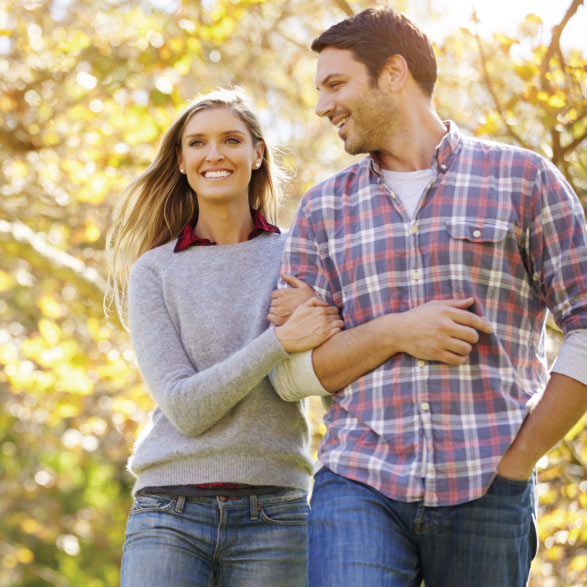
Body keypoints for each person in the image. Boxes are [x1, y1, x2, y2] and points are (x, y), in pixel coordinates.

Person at [269, 7, 587, 587]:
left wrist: (520, 462)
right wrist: (396, 330)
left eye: (336, 84)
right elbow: (292, 376)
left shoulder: (524, 179)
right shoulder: (323, 208)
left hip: (489, 484)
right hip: (358, 481)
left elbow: (586, 326)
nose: (322, 106)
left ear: (394, 73)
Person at [105, 87, 345, 587]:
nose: (214, 154)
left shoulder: (298, 255)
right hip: (169, 511)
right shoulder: (154, 271)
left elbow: (320, 371)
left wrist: (313, 327)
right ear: (181, 161)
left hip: (276, 512)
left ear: (258, 154)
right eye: (198, 143)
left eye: (231, 140)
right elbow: (185, 408)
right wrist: (279, 340)